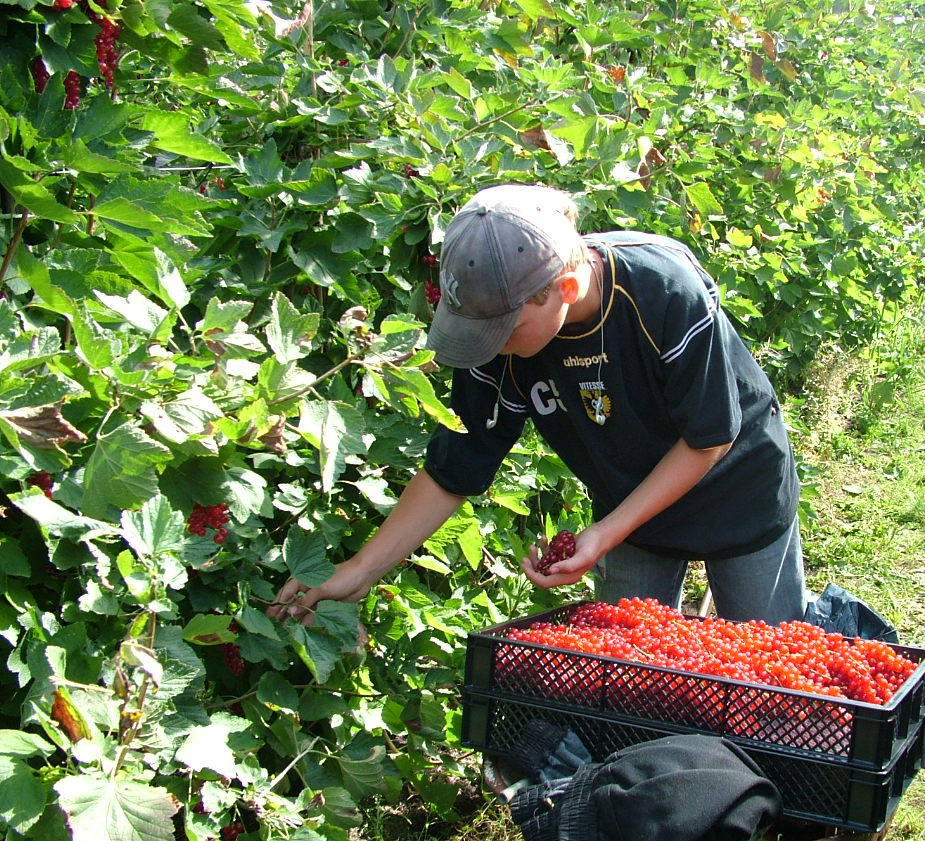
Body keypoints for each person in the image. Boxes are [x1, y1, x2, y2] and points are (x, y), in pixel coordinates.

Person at [269, 183, 805, 626]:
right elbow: (460, 462)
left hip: (737, 486)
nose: (488, 344)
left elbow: (709, 435)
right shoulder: (496, 330)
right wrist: (361, 569)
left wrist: (604, 534)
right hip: (629, 507)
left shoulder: (662, 290)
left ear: (565, 288)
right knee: (634, 675)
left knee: (770, 675)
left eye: (502, 330)